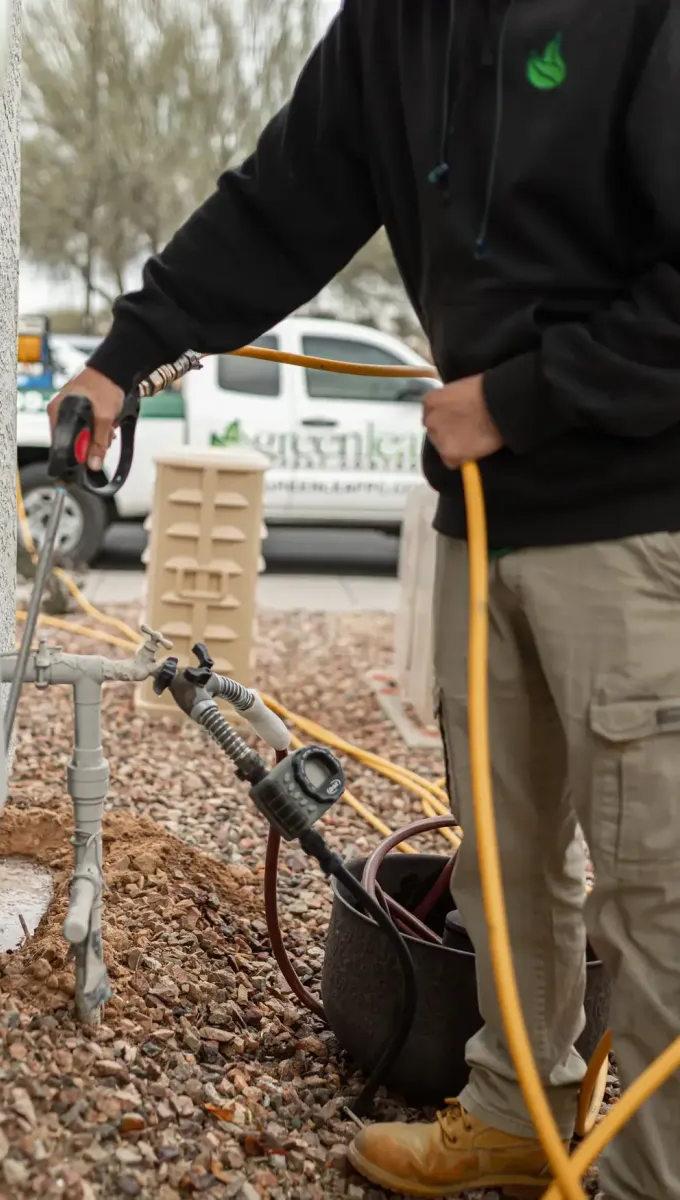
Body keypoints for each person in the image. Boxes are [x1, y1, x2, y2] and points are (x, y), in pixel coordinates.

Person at [48, 3, 680, 1196]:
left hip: (644, 516)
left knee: (659, 882)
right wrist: (127, 355)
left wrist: (527, 400)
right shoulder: (396, 26)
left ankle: (649, 1173)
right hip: (487, 514)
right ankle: (514, 1106)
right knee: (507, 853)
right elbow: (279, 206)